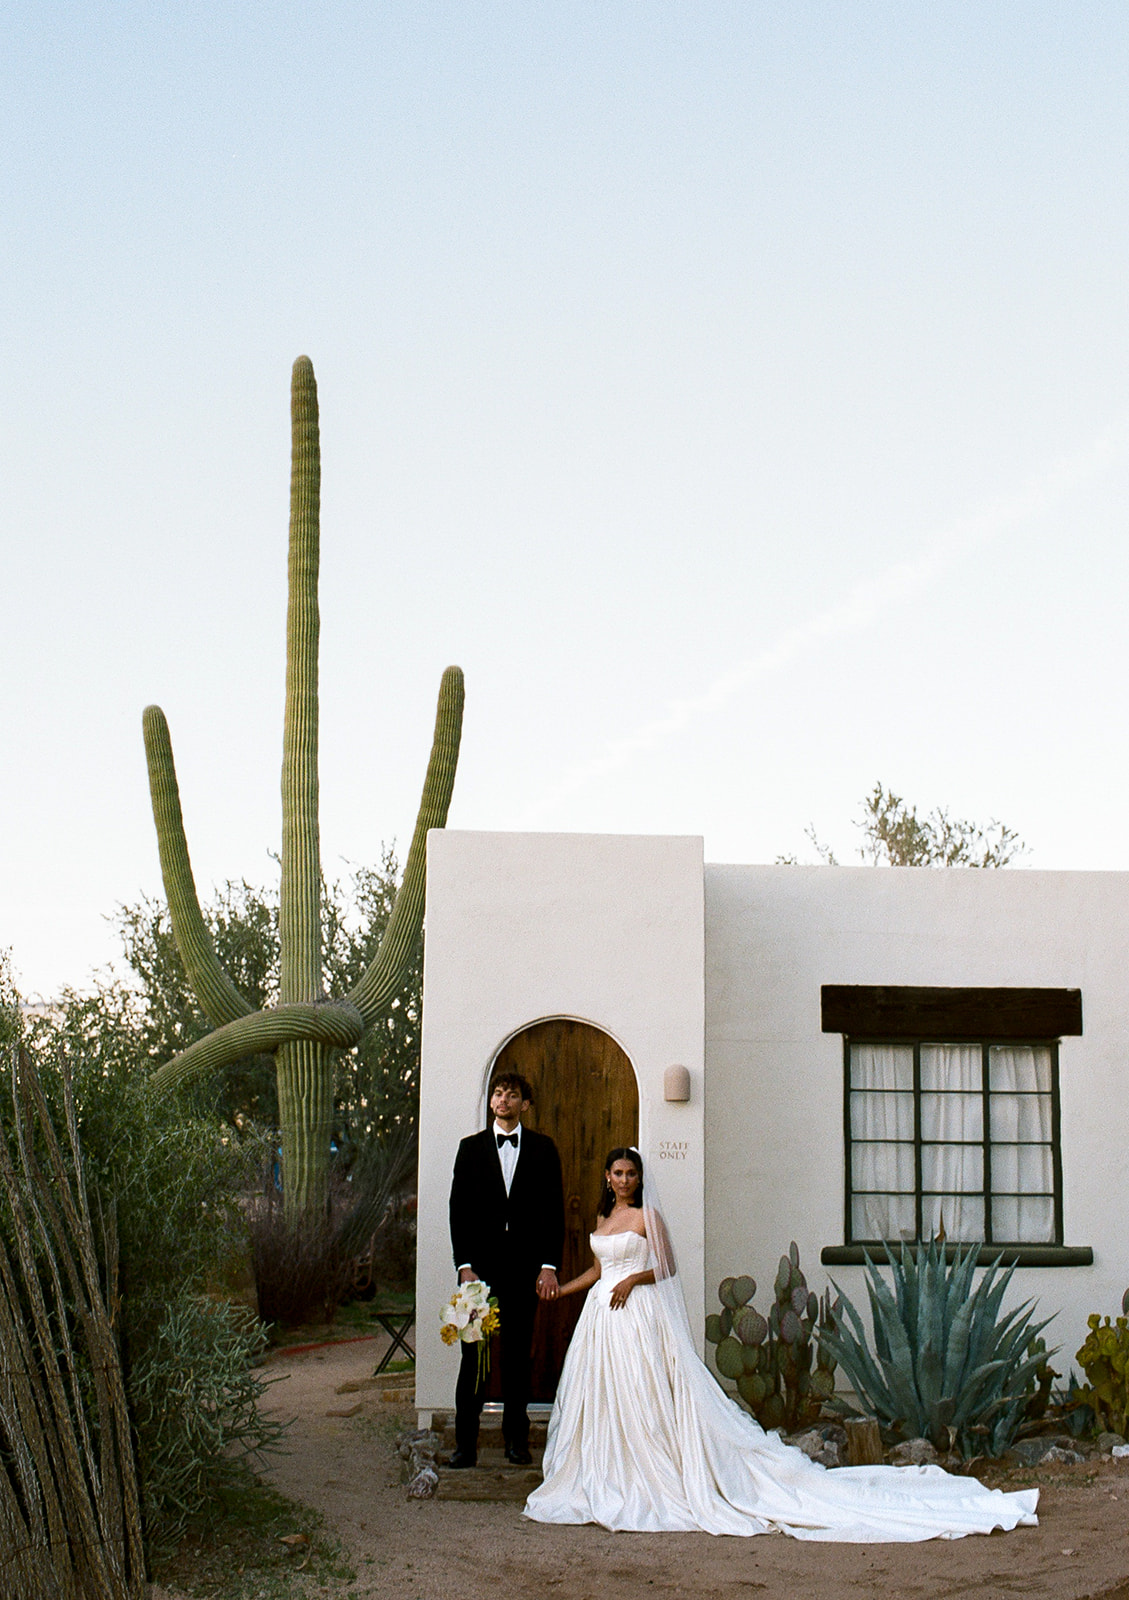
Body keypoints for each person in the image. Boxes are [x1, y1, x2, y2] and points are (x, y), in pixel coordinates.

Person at [524, 1146, 1040, 1541]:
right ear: (607, 1179)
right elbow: (596, 1269)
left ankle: (658, 1472)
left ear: (639, 1179)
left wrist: (633, 1282)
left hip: (637, 1316)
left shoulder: (646, 1218)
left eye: (630, 1173)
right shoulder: (603, 1219)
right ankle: (612, 1471)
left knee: (646, 1395)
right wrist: (559, 1291)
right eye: (617, 1173)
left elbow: (668, 1267)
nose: (623, 1180)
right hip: (602, 1320)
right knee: (606, 1401)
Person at [448, 1071, 565, 1467]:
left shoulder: (544, 1150)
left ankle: (517, 1440)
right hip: (478, 1274)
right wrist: (464, 1267)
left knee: (518, 1357)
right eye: (498, 1094)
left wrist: (549, 1266)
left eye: (512, 1095)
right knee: (474, 1359)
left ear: (525, 1104)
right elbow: (458, 1212)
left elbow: (554, 1213)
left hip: (524, 1272)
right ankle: (465, 1445)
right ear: (491, 1101)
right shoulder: (469, 1149)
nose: (503, 1101)